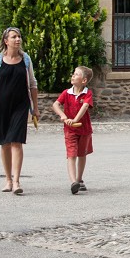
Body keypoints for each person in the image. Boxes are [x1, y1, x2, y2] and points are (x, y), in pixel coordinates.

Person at [0, 27, 39, 194]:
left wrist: (35, 108)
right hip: (0, 106)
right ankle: (7, 179)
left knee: (17, 141)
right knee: (5, 143)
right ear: (6, 41)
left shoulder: (26, 59)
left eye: (19, 36)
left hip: (20, 106)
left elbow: (33, 85)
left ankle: (17, 182)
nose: (17, 39)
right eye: (14, 37)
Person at [54, 65, 94, 195]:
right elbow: (55, 105)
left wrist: (76, 119)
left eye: (76, 74)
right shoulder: (66, 93)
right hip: (69, 130)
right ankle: (73, 182)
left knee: (81, 154)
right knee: (71, 154)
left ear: (84, 80)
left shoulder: (87, 93)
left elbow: (85, 106)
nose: (73, 75)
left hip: (84, 130)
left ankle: (79, 178)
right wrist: (63, 116)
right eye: (73, 73)